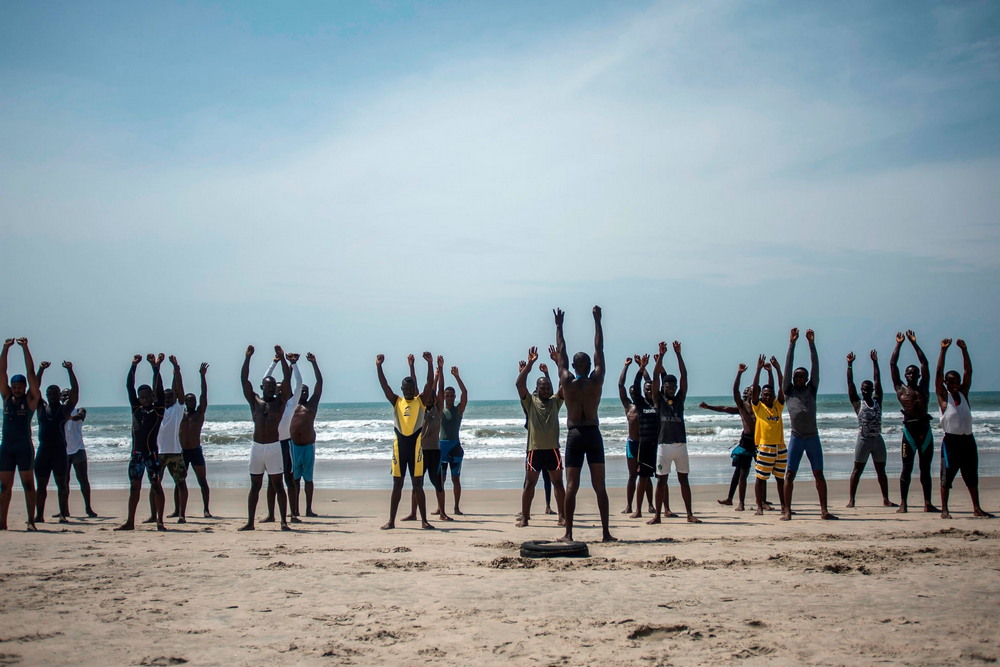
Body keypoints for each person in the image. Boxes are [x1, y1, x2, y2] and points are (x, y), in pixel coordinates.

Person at [553, 307, 615, 542]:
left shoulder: (566, 381)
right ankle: (606, 533)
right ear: (588, 366)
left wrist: (559, 325)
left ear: (574, 366)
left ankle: (568, 533)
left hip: (575, 435)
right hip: (593, 434)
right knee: (600, 484)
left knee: (571, 485)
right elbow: (599, 348)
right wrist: (597, 320)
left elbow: (561, 352)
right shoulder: (596, 380)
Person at [935, 339, 994, 519]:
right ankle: (945, 509)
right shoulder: (944, 397)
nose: (955, 383)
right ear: (945, 383)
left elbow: (969, 371)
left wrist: (964, 350)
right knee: (947, 476)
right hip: (951, 442)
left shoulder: (963, 394)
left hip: (968, 440)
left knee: (971, 475)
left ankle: (976, 508)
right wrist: (943, 351)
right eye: (951, 381)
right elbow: (938, 373)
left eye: (957, 381)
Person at [376, 352, 435, 530]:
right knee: (397, 484)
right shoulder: (396, 401)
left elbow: (430, 383)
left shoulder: (421, 401)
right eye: (406, 388)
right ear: (402, 389)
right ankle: (391, 521)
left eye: (411, 388)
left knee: (418, 484)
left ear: (415, 388)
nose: (409, 391)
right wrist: (378, 366)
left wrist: (430, 364)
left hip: (416, 448)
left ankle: (424, 521)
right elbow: (384, 385)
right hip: (399, 449)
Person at [782, 328, 836, 521]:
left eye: (801, 376)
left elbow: (816, 369)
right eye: (796, 376)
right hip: (797, 438)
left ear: (806, 379)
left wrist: (812, 345)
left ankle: (824, 510)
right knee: (790, 474)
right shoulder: (788, 391)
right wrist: (792, 343)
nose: (798, 378)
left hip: (812, 438)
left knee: (819, 474)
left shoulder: (811, 390)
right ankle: (787, 511)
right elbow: (787, 369)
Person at [239, 345, 292, 531]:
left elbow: (287, 379)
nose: (270, 388)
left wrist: (282, 358)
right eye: (267, 386)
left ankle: (284, 521)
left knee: (278, 484)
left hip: (273, 447)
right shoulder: (255, 401)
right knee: (255, 485)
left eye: (272, 386)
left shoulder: (280, 402)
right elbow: (244, 379)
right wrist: (248, 358)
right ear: (262, 387)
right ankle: (250, 522)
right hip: (257, 447)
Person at [648, 340, 700, 524]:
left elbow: (684, 375)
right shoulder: (658, 400)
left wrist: (678, 354)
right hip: (664, 446)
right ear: (663, 388)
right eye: (668, 387)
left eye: (673, 387)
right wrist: (661, 356)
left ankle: (689, 514)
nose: (671, 389)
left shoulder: (679, 400)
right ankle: (657, 516)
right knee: (661, 481)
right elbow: (655, 378)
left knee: (683, 480)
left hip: (680, 446)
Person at [515, 346, 566, 527]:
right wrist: (530, 364)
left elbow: (565, 383)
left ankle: (562, 516)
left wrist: (557, 362)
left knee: (558, 484)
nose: (545, 390)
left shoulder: (555, 402)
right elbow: (519, 385)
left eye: (547, 388)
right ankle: (525, 517)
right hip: (534, 450)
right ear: (536, 389)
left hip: (552, 450)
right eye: (542, 388)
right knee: (529, 484)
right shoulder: (530, 402)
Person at [116, 353, 167, 531]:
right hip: (137, 455)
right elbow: (129, 386)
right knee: (134, 487)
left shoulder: (159, 410)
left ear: (152, 397)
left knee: (156, 485)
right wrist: (133, 366)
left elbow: (159, 388)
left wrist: (155, 368)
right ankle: (130, 521)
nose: (145, 399)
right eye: (142, 396)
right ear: (139, 398)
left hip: (152, 454)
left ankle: (160, 521)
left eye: (148, 396)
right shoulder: (135, 409)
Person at [889, 330, 937, 513]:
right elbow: (892, 364)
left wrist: (914, 343)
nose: (910, 375)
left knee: (925, 469)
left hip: (925, 431)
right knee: (906, 469)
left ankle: (927, 503)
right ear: (905, 375)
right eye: (908, 373)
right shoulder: (900, 388)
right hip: (909, 432)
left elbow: (925, 363)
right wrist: (899, 344)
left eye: (913, 373)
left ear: (917, 375)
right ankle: (903, 503)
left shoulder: (923, 387)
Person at [402, 355, 449, 522]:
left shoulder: (438, 409)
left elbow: (440, 389)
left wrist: (441, 369)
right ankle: (413, 513)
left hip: (434, 452)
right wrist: (412, 366)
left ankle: (442, 512)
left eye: (432, 396)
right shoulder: (419, 408)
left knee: (438, 483)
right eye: (427, 395)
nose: (429, 397)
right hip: (419, 452)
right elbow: (414, 388)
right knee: (417, 484)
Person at [703, 364, 757, 511]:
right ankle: (739, 502)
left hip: (759, 441)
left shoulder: (762, 406)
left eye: (754, 391)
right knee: (741, 473)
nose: (751, 393)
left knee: (762, 472)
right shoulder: (742, 406)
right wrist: (739, 373)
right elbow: (725, 407)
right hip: (746, 442)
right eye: (750, 391)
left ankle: (762, 501)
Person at [846, 350, 896, 508]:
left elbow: (877, 379)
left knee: (881, 470)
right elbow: (850, 384)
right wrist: (849, 365)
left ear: (872, 390)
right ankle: (852, 500)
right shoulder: (857, 403)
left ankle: (886, 499)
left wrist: (875, 362)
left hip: (877, 439)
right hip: (863, 440)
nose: (865, 391)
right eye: (863, 389)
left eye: (868, 388)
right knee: (857, 470)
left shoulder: (877, 401)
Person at [0, 338, 41, 531]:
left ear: (24, 388)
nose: (16, 390)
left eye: (19, 387)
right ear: (11, 387)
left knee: (28, 485)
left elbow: (31, 373)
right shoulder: (7, 398)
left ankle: (31, 521)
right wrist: (5, 349)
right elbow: (1, 372)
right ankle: (2, 522)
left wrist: (25, 348)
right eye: (14, 387)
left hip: (24, 447)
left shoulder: (31, 400)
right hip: (6, 448)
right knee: (4, 487)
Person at [34, 360, 79, 523]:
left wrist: (70, 370)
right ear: (46, 395)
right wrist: (40, 371)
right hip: (43, 451)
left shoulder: (64, 409)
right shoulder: (40, 408)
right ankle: (39, 515)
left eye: (55, 393)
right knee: (41, 485)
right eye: (50, 393)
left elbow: (75, 392)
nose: (52, 395)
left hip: (59, 451)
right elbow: (34, 389)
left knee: (62, 485)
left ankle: (62, 514)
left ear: (60, 395)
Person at [263, 353, 302, 523]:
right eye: (276, 388)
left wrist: (293, 365)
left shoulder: (291, 404)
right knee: (272, 481)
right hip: (271, 443)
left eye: (281, 388)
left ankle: (292, 513)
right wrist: (274, 363)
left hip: (285, 445)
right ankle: (271, 514)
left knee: (289, 479)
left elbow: (298, 383)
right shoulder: (269, 404)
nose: (278, 390)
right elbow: (265, 380)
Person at [618, 356, 656, 516]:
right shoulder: (629, 406)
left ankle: (650, 505)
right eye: (632, 392)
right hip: (633, 444)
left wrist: (642, 366)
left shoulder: (647, 404)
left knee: (645, 475)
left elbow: (649, 382)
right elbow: (621, 385)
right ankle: (629, 505)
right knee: (633, 474)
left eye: (635, 391)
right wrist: (626, 366)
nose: (634, 393)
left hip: (646, 443)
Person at [751, 355, 786, 516]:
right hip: (764, 447)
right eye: (764, 394)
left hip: (780, 447)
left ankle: (785, 506)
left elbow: (782, 388)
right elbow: (756, 388)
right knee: (761, 478)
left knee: (780, 478)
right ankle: (759, 506)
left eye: (769, 395)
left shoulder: (778, 406)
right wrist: (758, 369)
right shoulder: (759, 407)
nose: (767, 396)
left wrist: (777, 369)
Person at [289, 353, 323, 519]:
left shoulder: (312, 405)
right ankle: (294, 509)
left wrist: (314, 364)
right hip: (294, 446)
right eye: (301, 390)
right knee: (294, 479)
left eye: (305, 391)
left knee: (308, 480)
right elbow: (289, 384)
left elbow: (320, 383)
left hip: (308, 446)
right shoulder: (291, 405)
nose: (303, 392)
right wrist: (292, 364)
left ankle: (308, 509)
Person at [154, 355, 187, 523]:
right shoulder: (158, 411)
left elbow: (179, 388)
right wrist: (157, 368)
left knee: (181, 483)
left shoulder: (178, 409)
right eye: (165, 398)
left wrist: (176, 369)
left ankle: (182, 514)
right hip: (158, 453)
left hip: (175, 452)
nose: (167, 400)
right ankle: (154, 515)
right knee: (155, 484)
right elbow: (156, 389)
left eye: (170, 398)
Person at [179, 363, 211, 518]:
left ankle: (206, 509)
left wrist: (202, 376)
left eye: (193, 400)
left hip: (195, 450)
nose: (191, 402)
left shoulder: (199, 413)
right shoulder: (180, 415)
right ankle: (179, 510)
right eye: (189, 400)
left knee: (202, 481)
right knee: (180, 481)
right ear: (185, 402)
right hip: (182, 452)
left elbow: (204, 396)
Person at [62, 388, 97, 517]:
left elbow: (79, 417)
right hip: (64, 451)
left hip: (78, 449)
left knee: (83, 480)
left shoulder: (80, 410)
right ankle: (64, 509)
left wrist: (69, 416)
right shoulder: (59, 412)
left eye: (68, 396)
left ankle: (88, 508)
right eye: (64, 396)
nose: (66, 398)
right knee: (64, 481)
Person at [438, 364, 468, 516]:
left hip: (455, 448)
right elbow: (437, 392)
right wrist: (439, 373)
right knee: (441, 480)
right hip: (441, 450)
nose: (449, 398)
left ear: (454, 397)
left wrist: (457, 376)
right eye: (447, 396)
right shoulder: (440, 410)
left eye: (452, 396)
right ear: (444, 397)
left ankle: (456, 507)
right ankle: (440, 507)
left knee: (455, 479)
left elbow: (465, 392)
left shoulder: (458, 410)